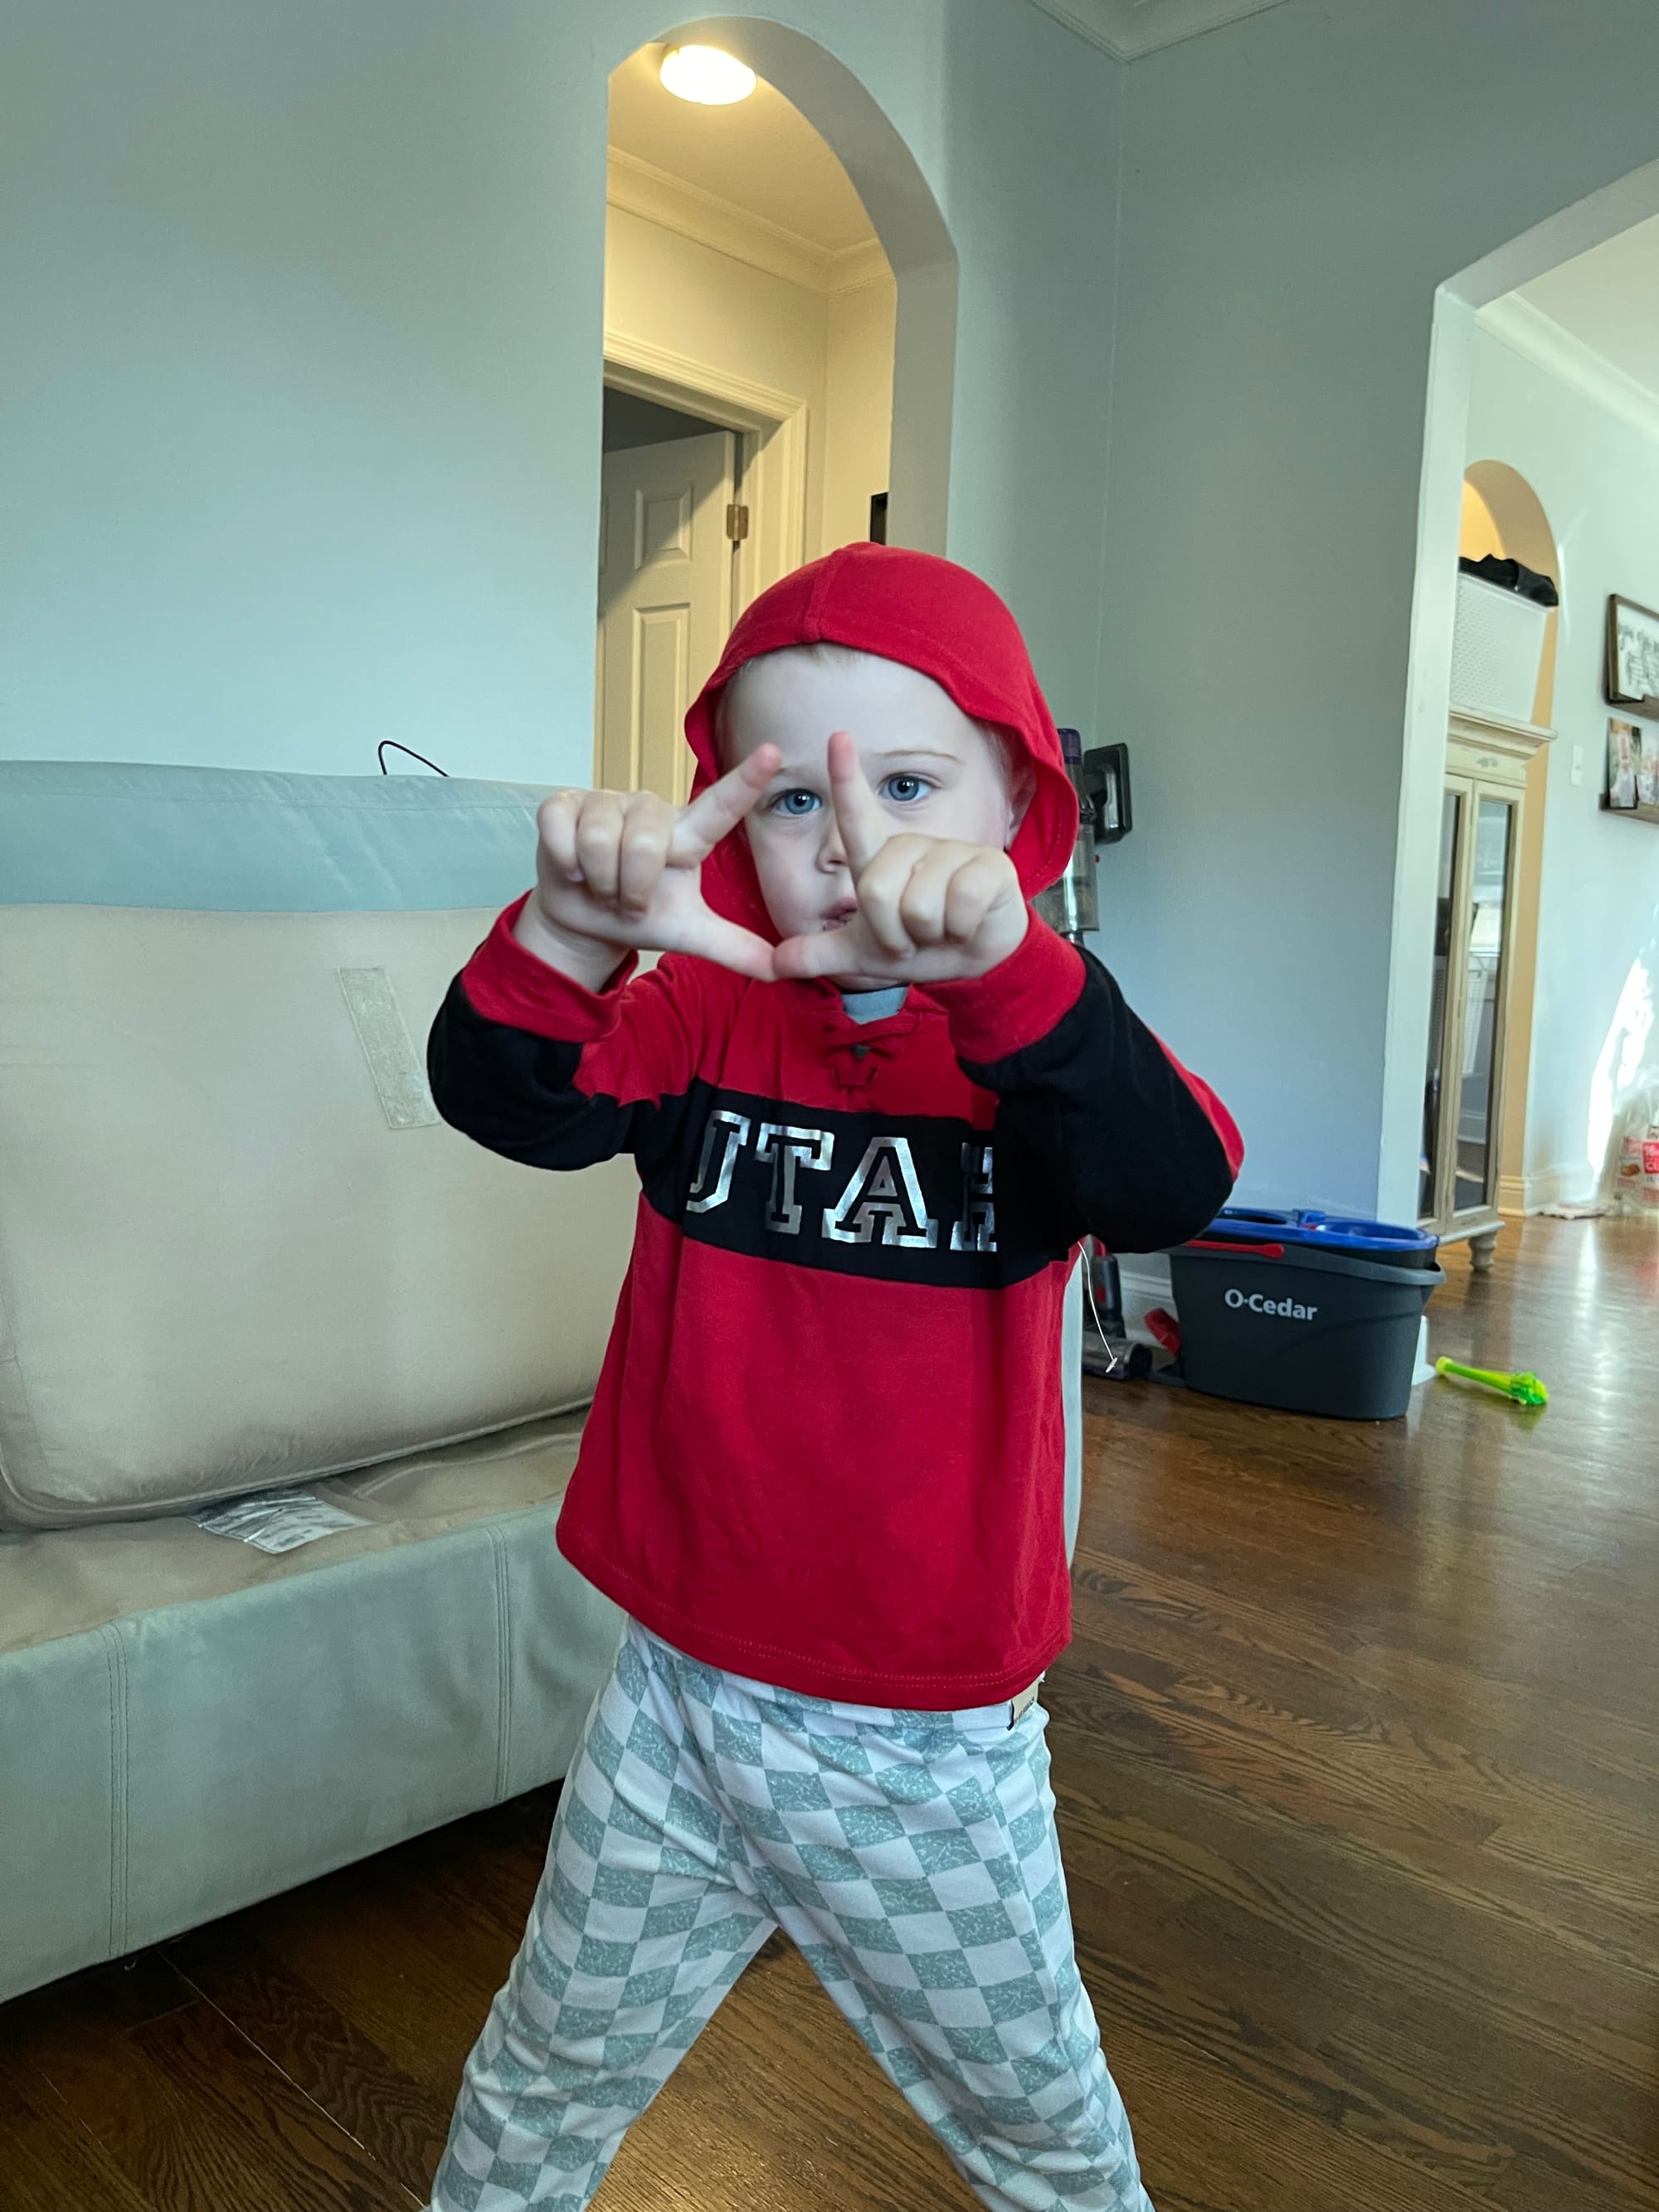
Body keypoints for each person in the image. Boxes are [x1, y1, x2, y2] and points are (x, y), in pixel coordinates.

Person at [425, 544, 1242, 2212]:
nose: (852, 840)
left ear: (1020, 806)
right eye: (793, 798)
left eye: (911, 785)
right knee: (544, 2062)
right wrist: (565, 936)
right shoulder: (697, 1018)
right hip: (670, 1688)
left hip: (921, 1733)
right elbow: (506, 1101)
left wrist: (1014, 976)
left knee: (1040, 2131)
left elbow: (1170, 1183)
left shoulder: (1036, 1047)